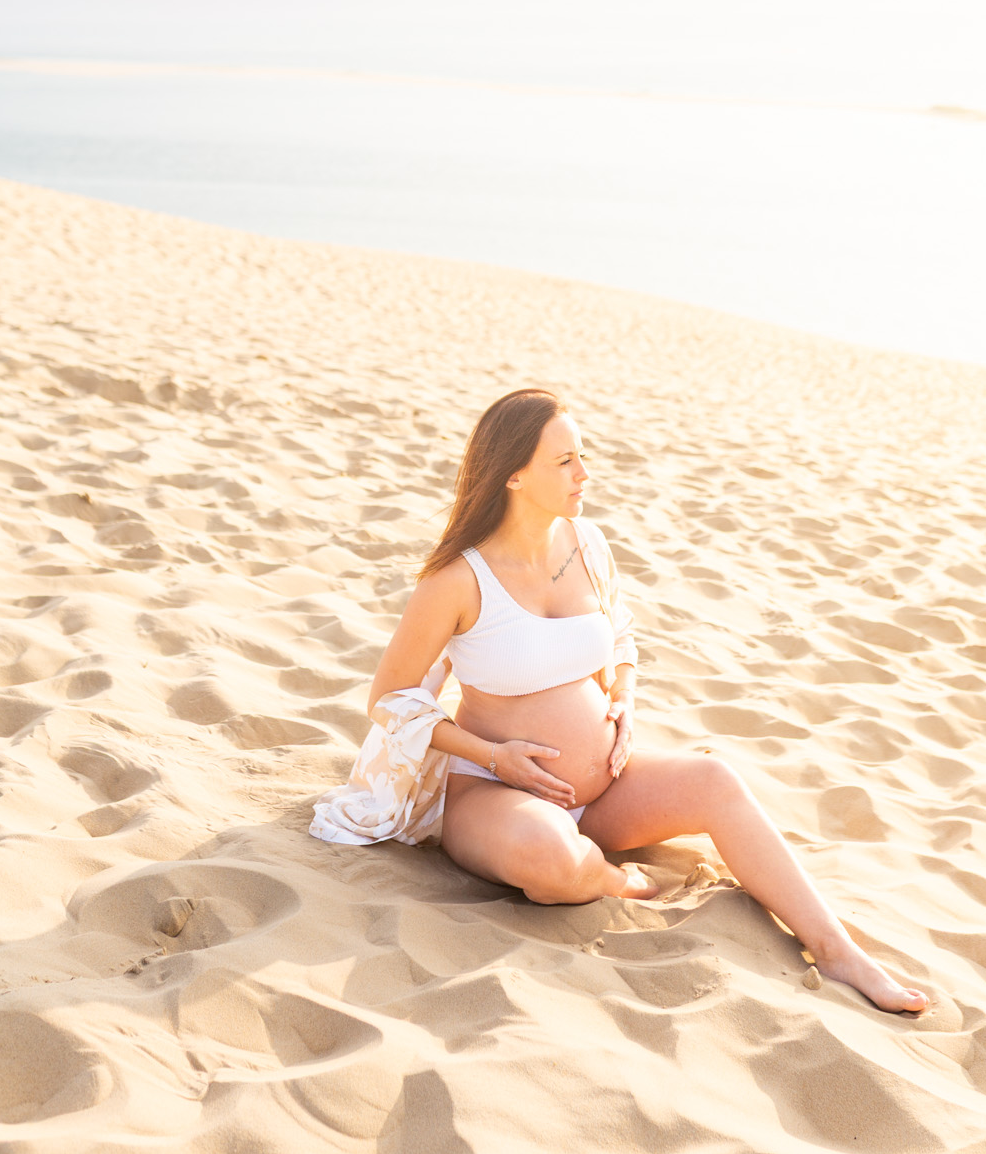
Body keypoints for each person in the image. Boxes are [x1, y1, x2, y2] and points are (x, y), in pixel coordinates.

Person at [311, 388, 927, 1015]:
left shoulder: (587, 544)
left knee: (715, 778)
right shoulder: (456, 580)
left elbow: (621, 633)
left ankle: (836, 948)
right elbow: (388, 699)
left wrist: (624, 699)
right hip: (496, 797)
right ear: (514, 475)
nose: (585, 474)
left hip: (604, 791)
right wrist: (494, 757)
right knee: (553, 862)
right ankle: (621, 880)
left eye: (583, 455)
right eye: (565, 461)